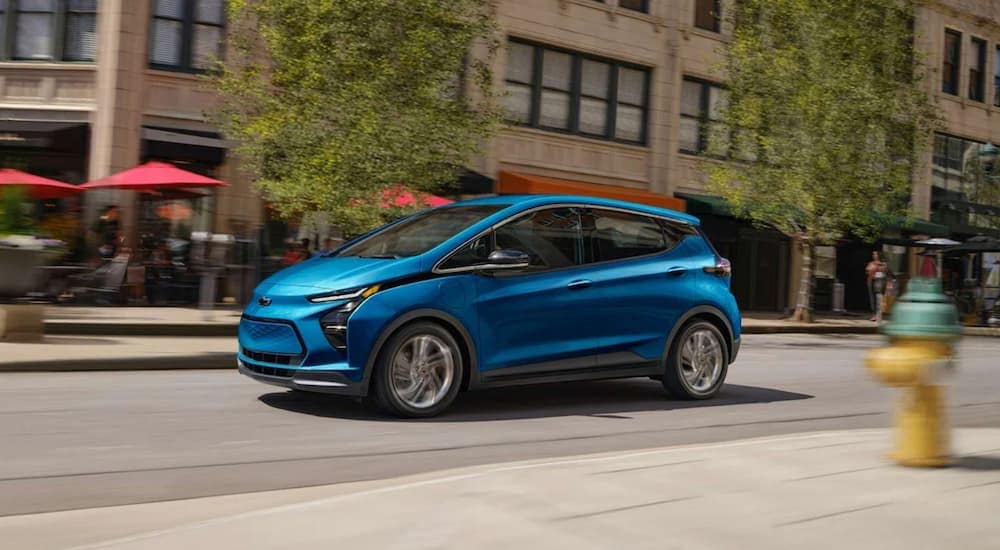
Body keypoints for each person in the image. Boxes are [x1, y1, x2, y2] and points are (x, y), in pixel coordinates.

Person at [865, 251, 893, 322]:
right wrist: (870, 272)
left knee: (880, 299)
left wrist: (889, 283)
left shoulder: (884, 264)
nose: (874, 255)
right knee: (873, 299)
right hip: (872, 282)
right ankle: (875, 314)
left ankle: (879, 314)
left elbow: (889, 274)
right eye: (873, 254)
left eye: (876, 254)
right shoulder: (871, 263)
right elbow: (867, 271)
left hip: (882, 282)